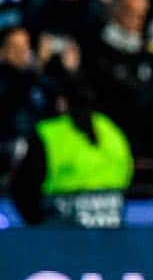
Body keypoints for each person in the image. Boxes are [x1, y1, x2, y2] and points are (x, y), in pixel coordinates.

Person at [9, 73, 132, 227]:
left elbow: (21, 189)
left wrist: (37, 228)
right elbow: (127, 177)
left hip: (60, 238)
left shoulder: (50, 134)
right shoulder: (113, 131)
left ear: (62, 101)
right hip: (110, 235)